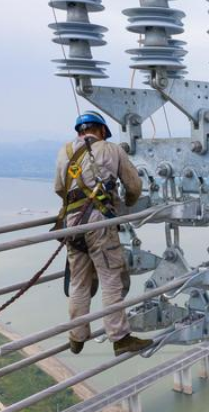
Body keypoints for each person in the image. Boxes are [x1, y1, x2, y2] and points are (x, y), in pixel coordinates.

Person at [54, 111, 152, 356]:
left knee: (78, 281)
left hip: (72, 224)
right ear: (100, 131)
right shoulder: (111, 149)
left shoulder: (64, 152)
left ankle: (77, 336)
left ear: (79, 131)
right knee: (111, 279)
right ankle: (120, 338)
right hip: (100, 224)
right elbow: (134, 186)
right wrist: (125, 204)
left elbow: (59, 188)